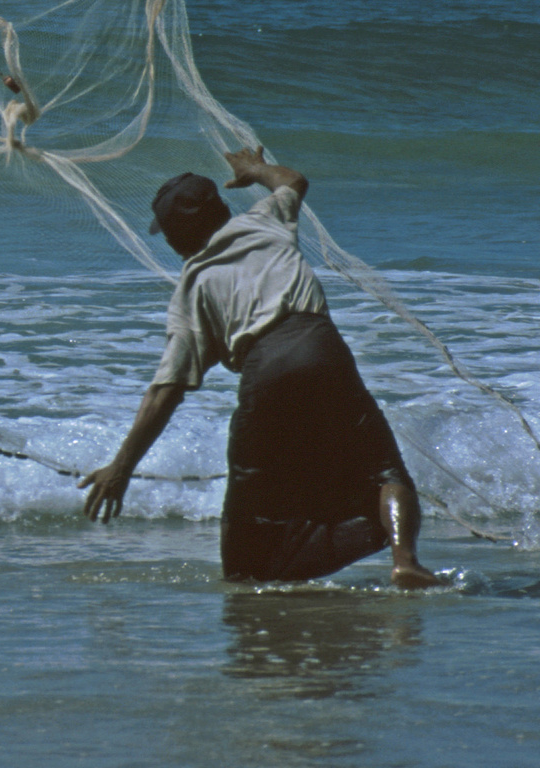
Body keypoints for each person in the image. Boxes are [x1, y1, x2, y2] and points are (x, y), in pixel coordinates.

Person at [78, 146, 440, 588]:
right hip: (323, 350)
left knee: (251, 516)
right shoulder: (263, 221)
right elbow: (294, 181)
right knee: (383, 470)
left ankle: (252, 579)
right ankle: (406, 561)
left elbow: (166, 389)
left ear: (177, 235)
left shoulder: (194, 283)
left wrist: (121, 467)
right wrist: (255, 170)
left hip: (265, 372)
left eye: (168, 233)